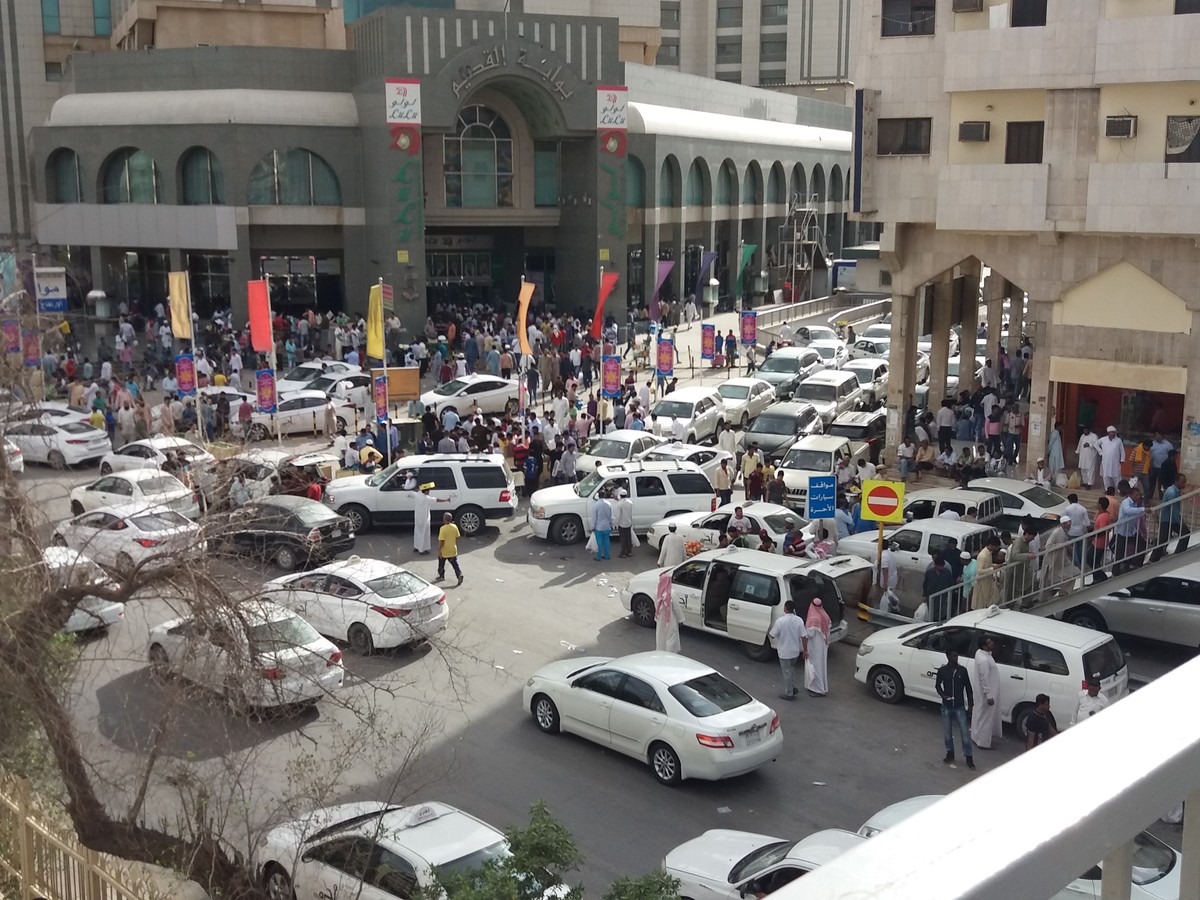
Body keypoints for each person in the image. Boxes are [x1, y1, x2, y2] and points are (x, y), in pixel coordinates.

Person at [935, 649, 975, 768]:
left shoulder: (962, 670)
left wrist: (971, 705)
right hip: (946, 706)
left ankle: (969, 757)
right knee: (947, 733)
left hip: (959, 706)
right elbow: (937, 685)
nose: (955, 658)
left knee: (964, 733)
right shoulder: (942, 671)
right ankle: (950, 753)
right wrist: (943, 695)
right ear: (947, 656)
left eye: (957, 656)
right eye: (953, 656)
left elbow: (968, 688)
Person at [768, 600, 805, 700]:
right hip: (795, 651)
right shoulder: (799, 620)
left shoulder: (780, 621)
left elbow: (772, 634)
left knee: (787, 672)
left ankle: (789, 693)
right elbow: (804, 636)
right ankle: (793, 688)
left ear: (785, 608)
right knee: (791, 670)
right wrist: (805, 650)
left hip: (784, 652)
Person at [970, 636, 1003, 750]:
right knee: (985, 718)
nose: (992, 643)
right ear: (984, 646)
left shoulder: (981, 654)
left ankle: (976, 736)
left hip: (983, 693)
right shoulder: (984, 660)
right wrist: (989, 695)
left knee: (979, 715)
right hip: (987, 694)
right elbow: (984, 678)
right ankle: (983, 742)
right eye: (989, 642)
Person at [802, 597, 831, 697]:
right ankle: (822, 687)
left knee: (815, 667)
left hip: (814, 648)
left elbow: (809, 634)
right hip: (823, 647)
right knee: (822, 667)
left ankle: (818, 689)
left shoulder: (813, 619)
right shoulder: (825, 616)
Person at [412, 482, 451, 555]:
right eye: (428, 490)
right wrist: (446, 500)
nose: (429, 492)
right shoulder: (426, 498)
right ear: (426, 491)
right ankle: (422, 550)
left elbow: (416, 491)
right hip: (424, 518)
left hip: (417, 518)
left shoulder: (417, 495)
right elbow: (437, 500)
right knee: (424, 533)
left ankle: (417, 547)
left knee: (417, 532)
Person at [1040, 515, 1073, 595]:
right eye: (1068, 525)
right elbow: (1048, 546)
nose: (1069, 527)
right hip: (1052, 559)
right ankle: (1044, 596)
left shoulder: (1065, 532)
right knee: (1047, 580)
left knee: (1073, 573)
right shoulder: (1056, 532)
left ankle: (1063, 591)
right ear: (1063, 524)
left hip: (1061, 559)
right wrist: (1063, 545)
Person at [922, 552, 956, 621]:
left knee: (942, 612)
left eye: (942, 566)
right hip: (931, 595)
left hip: (943, 596)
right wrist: (924, 595)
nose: (941, 567)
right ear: (936, 565)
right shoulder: (929, 572)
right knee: (931, 611)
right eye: (940, 566)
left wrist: (949, 595)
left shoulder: (947, 572)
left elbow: (951, 584)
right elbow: (925, 583)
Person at [654, 569, 682, 653]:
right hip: (671, 620)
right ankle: (670, 654)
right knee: (671, 637)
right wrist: (681, 619)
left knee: (661, 636)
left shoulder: (657, 592)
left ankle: (660, 652)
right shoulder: (672, 593)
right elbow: (677, 608)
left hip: (660, 620)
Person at [435, 512, 464, 586]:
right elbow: (457, 537)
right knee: (455, 565)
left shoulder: (443, 529)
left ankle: (441, 576)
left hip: (444, 551)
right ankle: (459, 574)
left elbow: (442, 541)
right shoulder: (454, 527)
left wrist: (439, 550)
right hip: (453, 550)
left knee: (441, 564)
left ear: (444, 519)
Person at [1098, 425, 1126, 491]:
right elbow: (1095, 444)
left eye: (1114, 432)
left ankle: (1120, 490)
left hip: (1115, 463)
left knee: (1117, 477)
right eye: (1111, 432)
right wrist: (1100, 451)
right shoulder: (1103, 439)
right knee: (1106, 477)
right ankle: (1107, 490)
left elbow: (1122, 450)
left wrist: (1122, 459)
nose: (1113, 433)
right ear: (1108, 433)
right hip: (1106, 462)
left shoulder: (1118, 440)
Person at [877, 541, 900, 613]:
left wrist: (885, 584)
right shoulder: (890, 554)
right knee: (890, 599)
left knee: (886, 600)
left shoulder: (883, 557)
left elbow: (885, 571)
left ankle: (885, 612)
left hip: (888, 582)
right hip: (893, 581)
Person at [591, 492, 614, 561]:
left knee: (599, 542)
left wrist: (593, 526)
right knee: (607, 541)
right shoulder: (608, 504)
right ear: (605, 495)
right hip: (607, 526)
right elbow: (611, 516)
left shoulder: (596, 505)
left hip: (599, 527)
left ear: (598, 496)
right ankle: (607, 555)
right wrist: (611, 524)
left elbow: (594, 517)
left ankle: (598, 557)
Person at [614, 488, 635, 558]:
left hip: (622, 524)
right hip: (628, 523)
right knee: (628, 538)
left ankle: (623, 553)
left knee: (623, 539)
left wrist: (616, 523)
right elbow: (631, 513)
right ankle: (629, 552)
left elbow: (618, 515)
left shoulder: (619, 504)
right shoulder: (630, 503)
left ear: (620, 495)